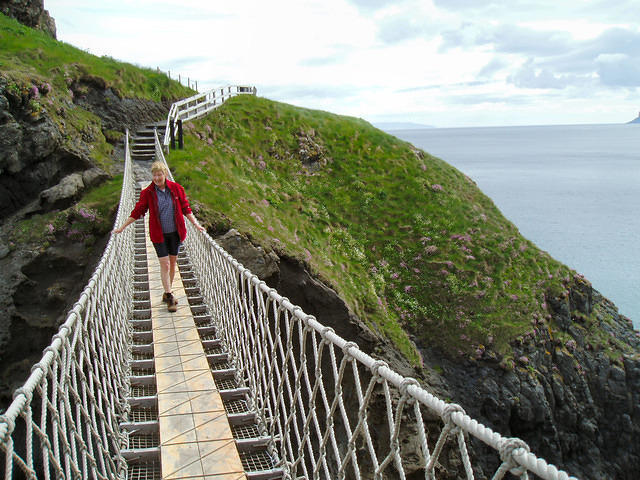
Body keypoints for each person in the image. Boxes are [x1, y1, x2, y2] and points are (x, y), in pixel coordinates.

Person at [114, 161, 205, 311]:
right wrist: (122, 227)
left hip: (175, 233)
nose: (157, 178)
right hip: (159, 235)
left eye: (159, 174)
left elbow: (185, 208)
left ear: (165, 174)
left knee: (172, 263)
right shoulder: (148, 193)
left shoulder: (176, 189)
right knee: (166, 264)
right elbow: (138, 211)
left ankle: (166, 291)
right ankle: (170, 296)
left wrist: (196, 225)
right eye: (154, 175)